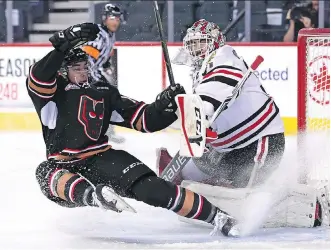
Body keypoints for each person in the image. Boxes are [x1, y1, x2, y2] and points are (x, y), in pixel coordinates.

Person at [28, 22, 239, 237]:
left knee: (153, 189)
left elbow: (144, 120)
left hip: (102, 158)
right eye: (76, 69)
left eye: (85, 67)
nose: (83, 73)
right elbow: (38, 76)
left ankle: (219, 217)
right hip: (65, 165)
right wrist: (62, 46)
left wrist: (165, 105)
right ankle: (94, 195)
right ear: (63, 72)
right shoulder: (53, 94)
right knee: (45, 172)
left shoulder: (103, 91)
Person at [157, 19, 285, 189]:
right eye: (192, 44)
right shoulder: (203, 68)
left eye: (200, 43)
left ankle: (293, 202)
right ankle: (185, 175)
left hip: (260, 141)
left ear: (214, 43)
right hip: (231, 149)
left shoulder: (224, 59)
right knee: (210, 173)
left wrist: (195, 113)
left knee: (245, 193)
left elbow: (210, 98)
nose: (196, 50)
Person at [82, 3, 125, 143]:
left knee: (109, 100)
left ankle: (106, 132)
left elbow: (103, 55)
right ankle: (96, 133)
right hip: (87, 75)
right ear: (105, 18)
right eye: (112, 18)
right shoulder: (99, 35)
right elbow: (85, 58)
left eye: (118, 18)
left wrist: (105, 65)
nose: (116, 21)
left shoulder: (110, 35)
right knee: (103, 102)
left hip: (94, 74)